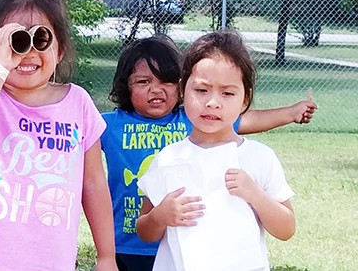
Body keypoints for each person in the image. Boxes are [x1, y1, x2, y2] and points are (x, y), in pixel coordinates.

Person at [100, 36, 317, 270]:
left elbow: (286, 229)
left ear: (245, 99)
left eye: (227, 93)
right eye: (202, 90)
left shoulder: (260, 158)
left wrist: (255, 194)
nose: (213, 102)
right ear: (186, 89)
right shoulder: (167, 158)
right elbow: (145, 230)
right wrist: (161, 216)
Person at [0, 0, 117, 270]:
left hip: (52, 263)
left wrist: (106, 256)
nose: (27, 53)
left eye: (40, 40)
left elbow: (93, 183)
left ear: (60, 49)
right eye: (15, 41)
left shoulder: (78, 103)